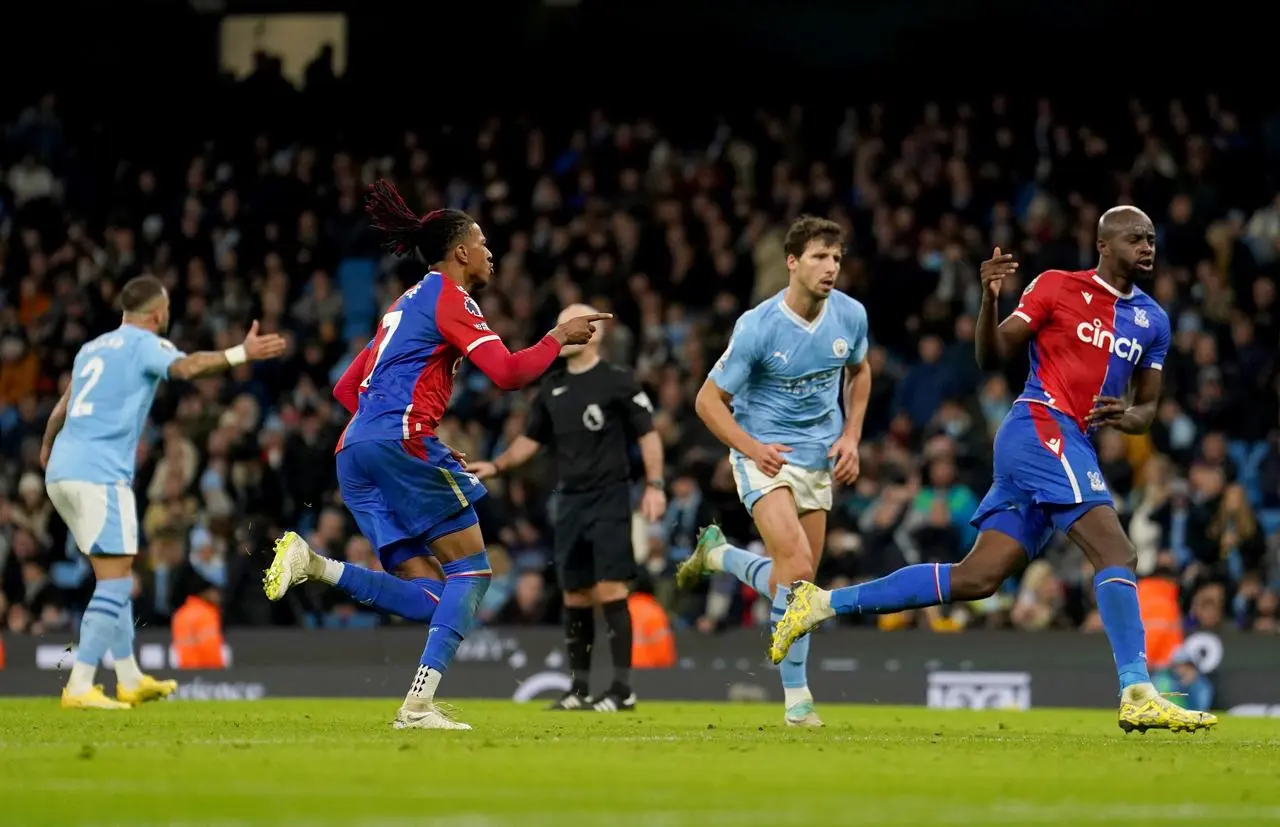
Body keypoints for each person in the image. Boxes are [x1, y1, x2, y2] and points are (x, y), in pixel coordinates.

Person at [772, 206, 1218, 733]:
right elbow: (992, 354)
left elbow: (1147, 410)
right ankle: (1138, 690)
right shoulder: (1055, 287)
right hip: (1039, 425)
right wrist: (988, 300)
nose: (1148, 247)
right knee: (1116, 550)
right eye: (1136, 238)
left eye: (1151, 238)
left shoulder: (1154, 321)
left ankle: (819, 603)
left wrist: (1128, 416)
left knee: (977, 578)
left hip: (1070, 441)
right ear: (1104, 244)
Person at [262, 180, 607, 731]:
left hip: (354, 453)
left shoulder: (403, 304)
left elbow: (347, 388)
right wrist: (558, 336)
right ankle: (418, 706)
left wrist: (395, 433)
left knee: (432, 595)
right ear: (461, 251)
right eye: (484, 242)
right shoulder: (451, 296)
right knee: (472, 573)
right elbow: (509, 374)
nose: (490, 253)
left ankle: (318, 566)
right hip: (397, 444)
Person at [42, 274, 286, 710]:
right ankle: (79, 685)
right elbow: (188, 367)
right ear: (158, 313)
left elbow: (63, 405)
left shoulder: (90, 350)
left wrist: (46, 452)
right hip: (100, 474)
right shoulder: (144, 344)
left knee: (111, 578)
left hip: (62, 470)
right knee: (116, 585)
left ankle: (130, 677)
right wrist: (240, 353)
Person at [673, 215, 871, 727]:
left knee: (798, 587)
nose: (831, 268)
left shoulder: (850, 316)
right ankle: (798, 700)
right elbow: (708, 401)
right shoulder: (758, 326)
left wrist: (851, 435)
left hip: (817, 458)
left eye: (836, 258)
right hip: (764, 458)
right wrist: (751, 447)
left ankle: (720, 556)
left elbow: (861, 370)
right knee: (799, 570)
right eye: (819, 258)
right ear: (792, 262)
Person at [470, 303, 667, 713]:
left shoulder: (618, 380)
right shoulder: (551, 387)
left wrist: (655, 484)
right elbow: (532, 439)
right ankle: (579, 689)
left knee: (612, 589)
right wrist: (498, 464)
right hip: (570, 502)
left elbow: (648, 434)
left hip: (610, 497)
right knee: (575, 595)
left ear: (592, 332)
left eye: (570, 323)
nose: (562, 332)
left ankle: (620, 689)